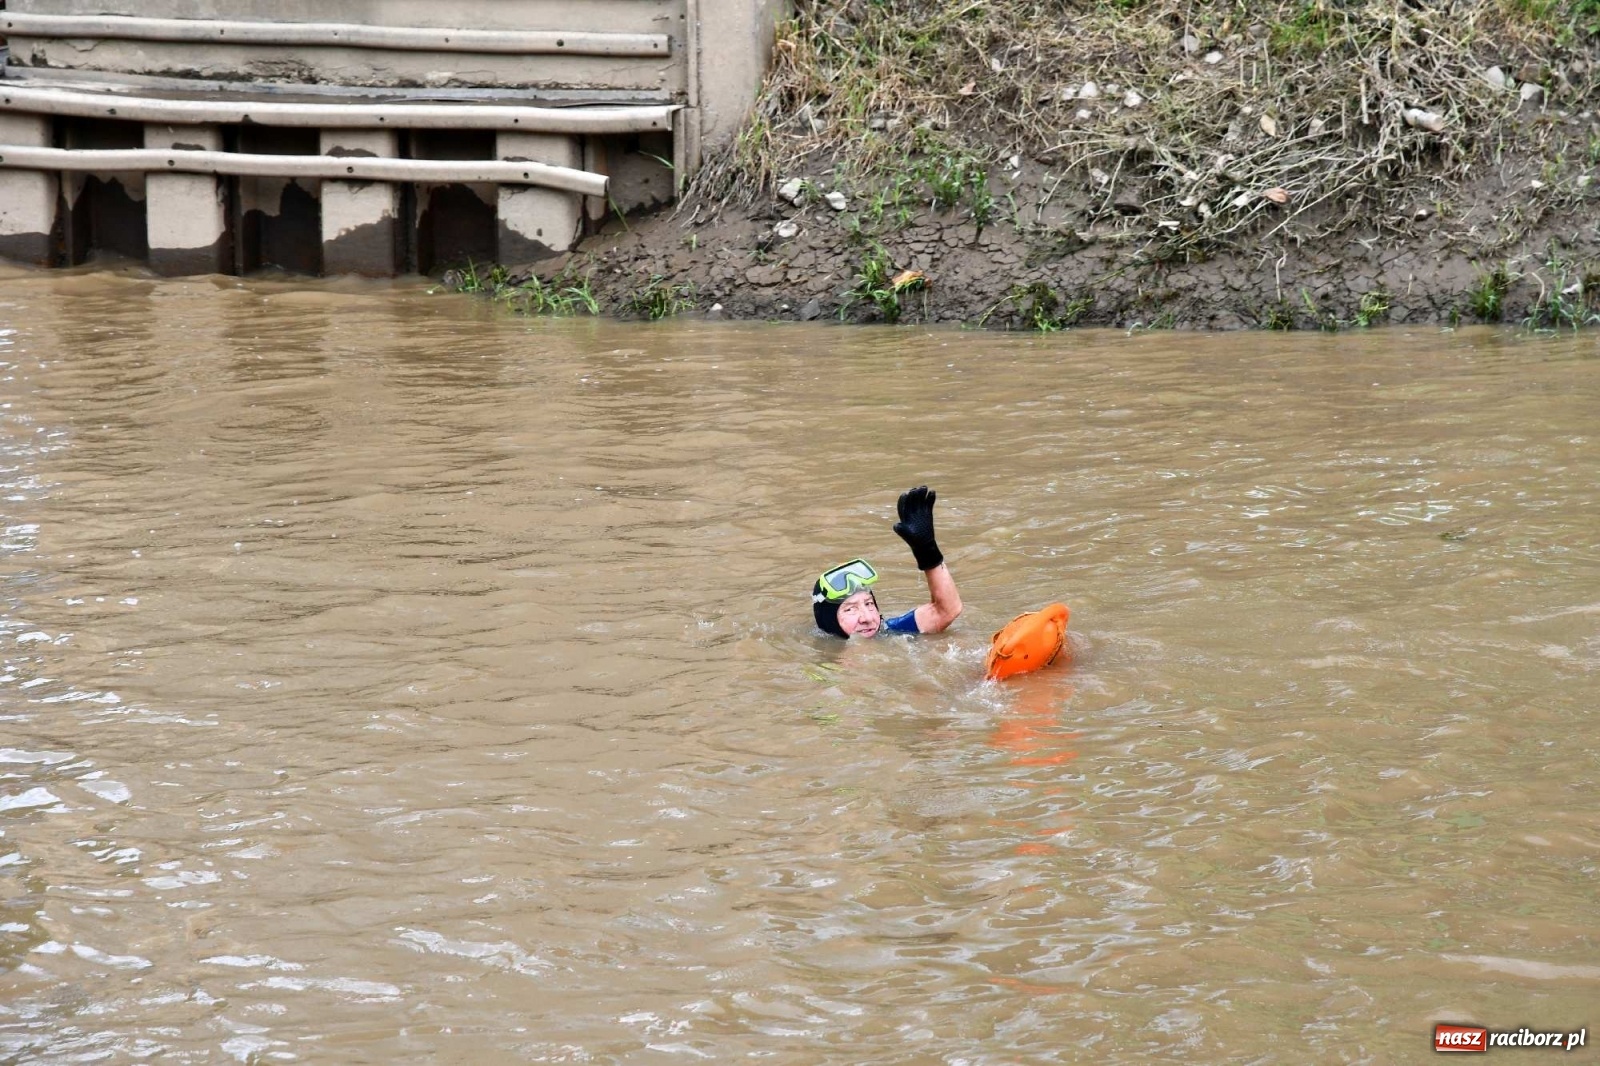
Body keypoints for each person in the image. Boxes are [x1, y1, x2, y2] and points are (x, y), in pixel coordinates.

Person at [811, 485, 963, 639]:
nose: (867, 618)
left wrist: (926, 549)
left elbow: (946, 610)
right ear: (828, 621)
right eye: (850, 609)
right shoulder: (817, 658)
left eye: (869, 604)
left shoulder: (890, 632)